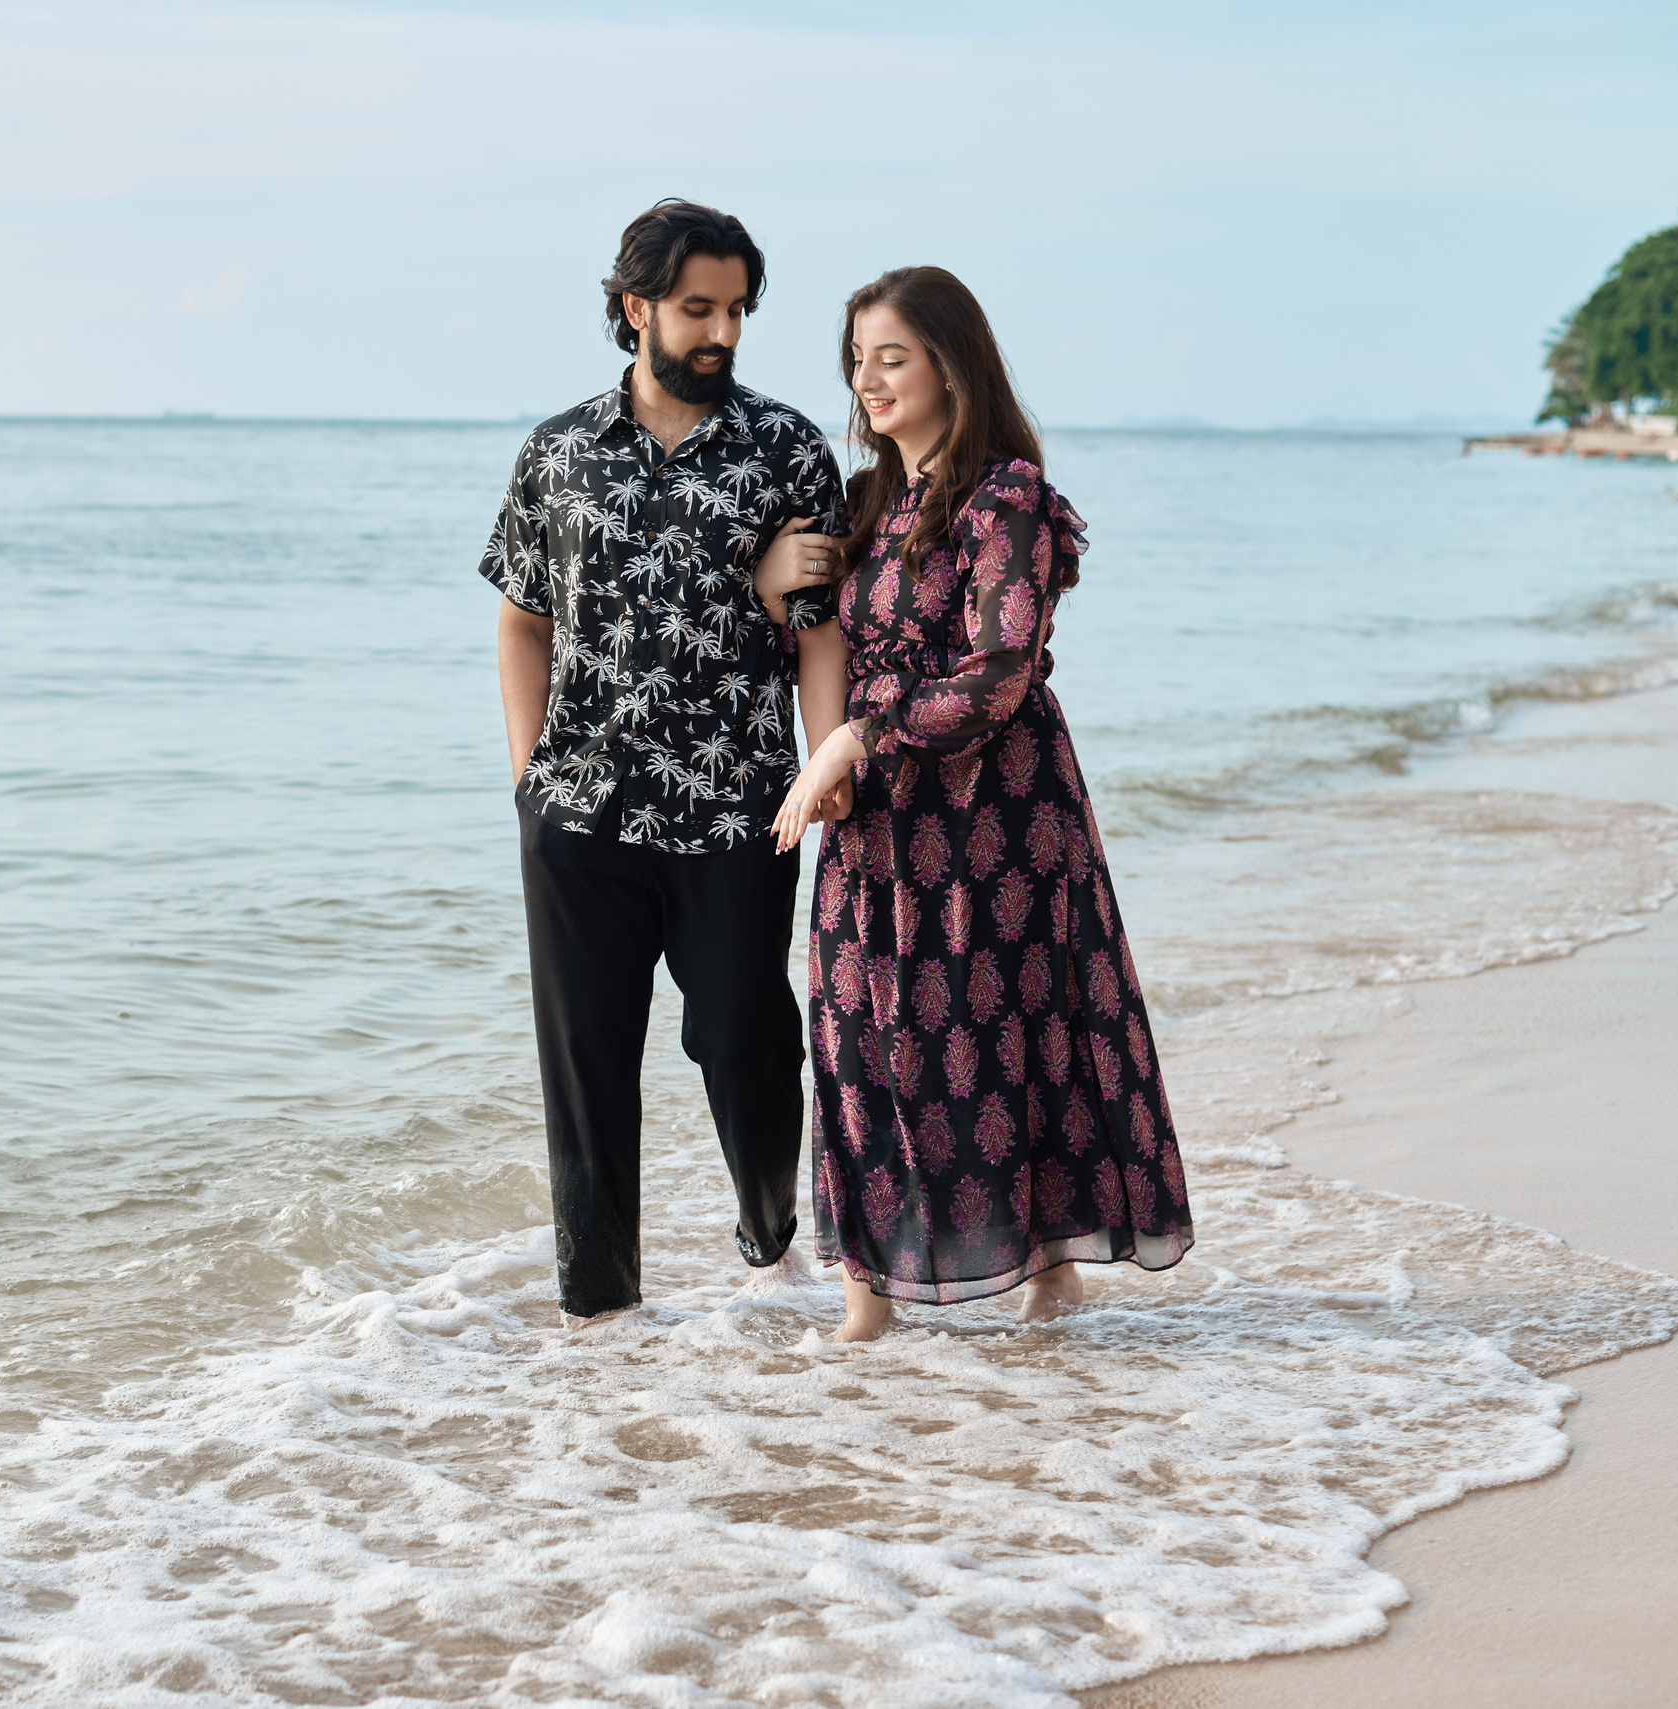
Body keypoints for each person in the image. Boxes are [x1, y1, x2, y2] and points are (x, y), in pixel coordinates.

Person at [763, 266, 1194, 1341]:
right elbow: (817, 641)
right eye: (855, 358)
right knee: (860, 1030)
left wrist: (855, 736)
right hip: (879, 816)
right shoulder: (868, 503)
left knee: (1012, 1032)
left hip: (997, 810)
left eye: (891, 355)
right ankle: (868, 1297)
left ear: (952, 364)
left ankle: (1050, 1269)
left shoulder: (1007, 498)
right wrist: (778, 589)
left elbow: (1001, 667)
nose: (866, 378)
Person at [478, 199, 853, 1326]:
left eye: (736, 310)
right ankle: (599, 1307)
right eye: (698, 308)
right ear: (633, 305)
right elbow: (522, 619)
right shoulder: (556, 450)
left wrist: (822, 767)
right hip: (579, 809)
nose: (721, 332)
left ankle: (769, 1235)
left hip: (738, 804)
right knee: (585, 1066)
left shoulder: (786, 448)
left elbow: (818, 627)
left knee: (743, 1032)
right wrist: (526, 783)